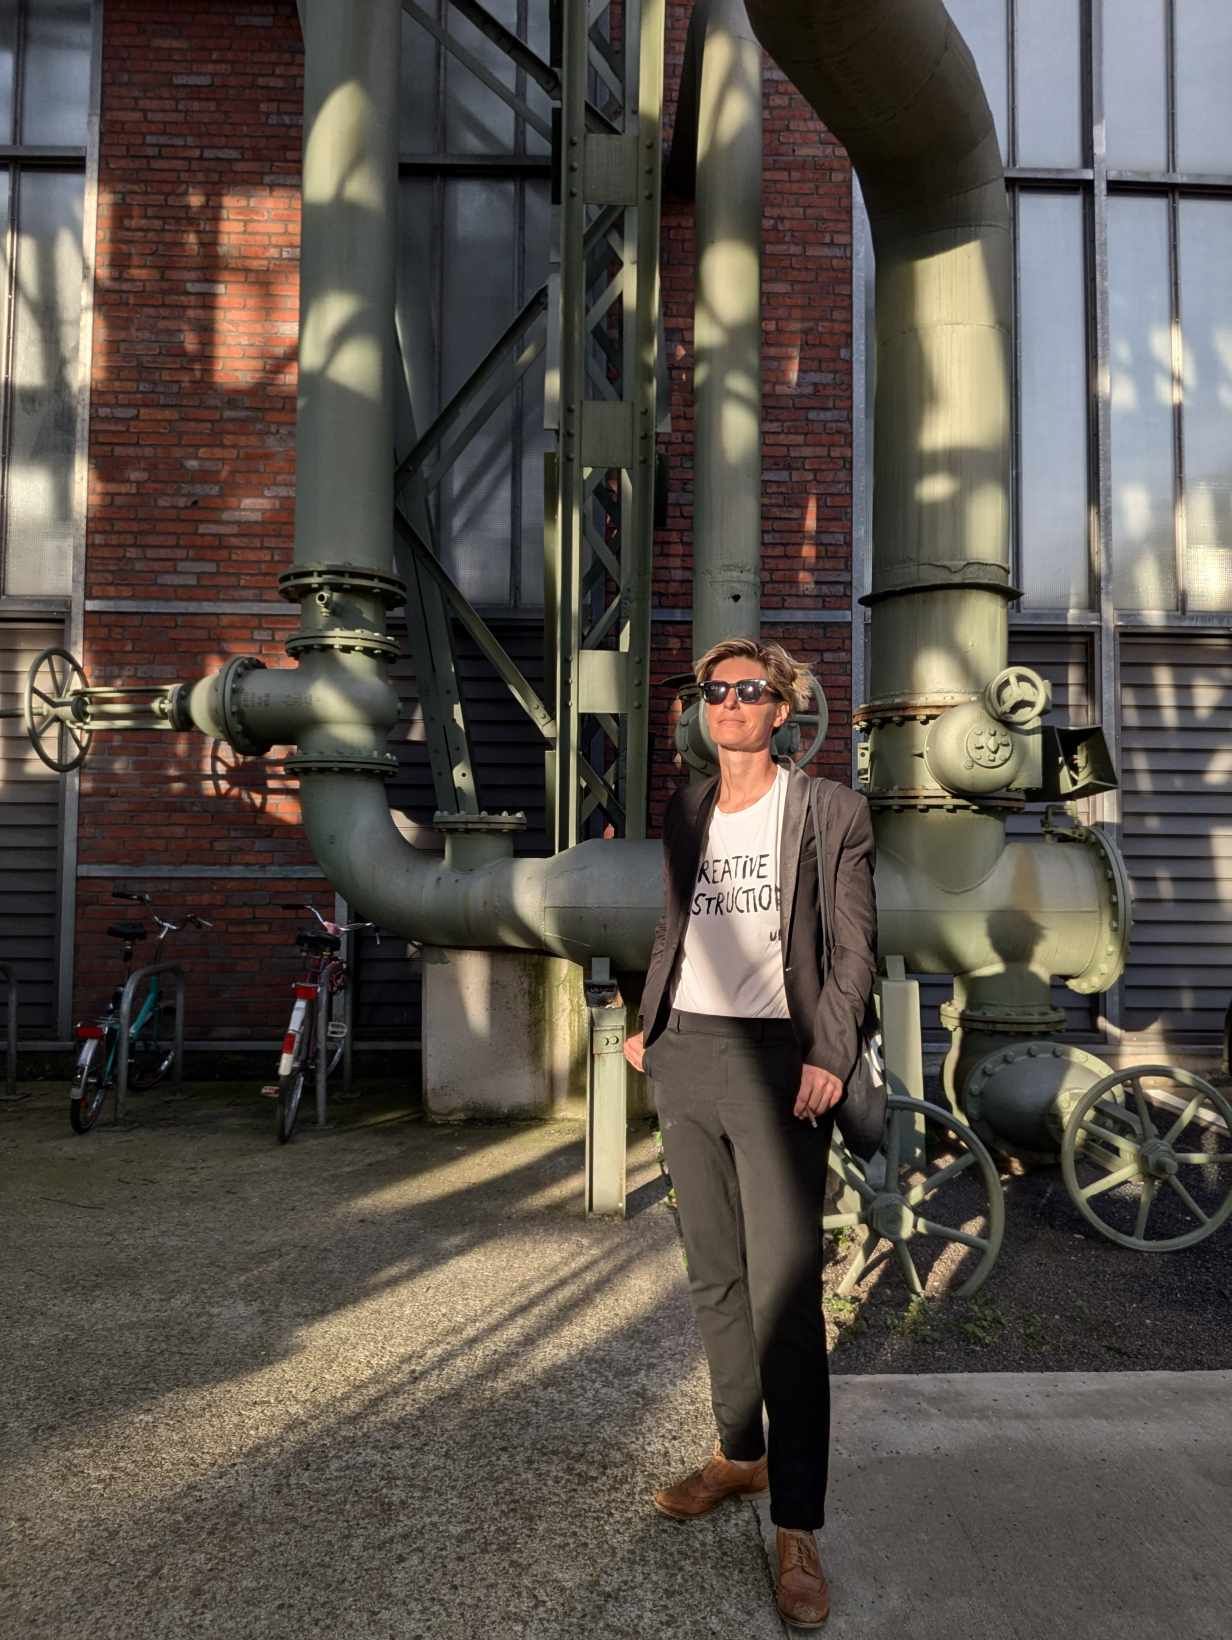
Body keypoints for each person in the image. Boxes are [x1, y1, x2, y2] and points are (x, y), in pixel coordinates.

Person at [624, 635, 877, 1631]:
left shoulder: (828, 810)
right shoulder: (685, 807)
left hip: (780, 1067)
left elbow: (853, 949)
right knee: (713, 1276)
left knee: (784, 1295)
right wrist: (647, 1022)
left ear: (781, 707)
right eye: (713, 690)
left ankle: (797, 1525)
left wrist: (829, 1053)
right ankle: (739, 1453)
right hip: (685, 1054)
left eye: (747, 690)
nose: (727, 703)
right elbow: (672, 923)